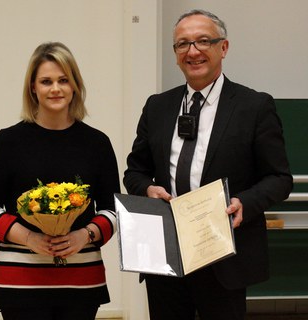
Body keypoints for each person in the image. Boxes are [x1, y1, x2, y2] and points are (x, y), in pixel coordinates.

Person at [123, 9, 292, 320]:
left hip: (224, 255)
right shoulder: (157, 106)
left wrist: (245, 202)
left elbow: (279, 177)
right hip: (166, 256)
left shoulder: (254, 106)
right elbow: (134, 171)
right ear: (176, 54)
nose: (193, 51)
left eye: (203, 41)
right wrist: (147, 188)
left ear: (223, 48)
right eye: (183, 44)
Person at [0, 41, 120, 320]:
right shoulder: (8, 141)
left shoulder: (97, 143)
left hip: (82, 280)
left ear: (75, 85)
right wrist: (30, 238)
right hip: (19, 280)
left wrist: (84, 235)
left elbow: (113, 210)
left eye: (63, 80)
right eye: (46, 81)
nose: (55, 89)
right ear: (33, 87)